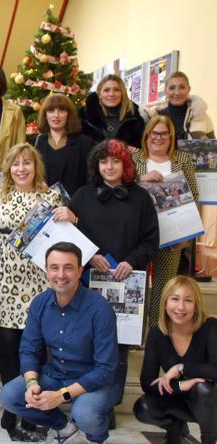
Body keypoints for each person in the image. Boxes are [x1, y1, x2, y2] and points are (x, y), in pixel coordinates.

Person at [0, 242, 120, 444]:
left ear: (80, 270)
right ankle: (63, 427)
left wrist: (61, 396)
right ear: (46, 270)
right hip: (57, 374)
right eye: (54, 268)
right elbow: (29, 349)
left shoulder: (99, 309)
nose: (61, 275)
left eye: (68, 268)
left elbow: (105, 369)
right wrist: (32, 382)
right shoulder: (41, 303)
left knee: (84, 413)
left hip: (95, 381)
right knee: (10, 395)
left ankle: (97, 440)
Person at [69, 139, 159, 426]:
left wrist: (131, 261)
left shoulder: (141, 198)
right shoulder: (82, 196)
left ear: (126, 165)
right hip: (88, 282)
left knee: (117, 348)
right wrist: (90, 255)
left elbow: (151, 239)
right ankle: (83, 398)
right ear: (97, 165)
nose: (109, 166)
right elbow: (67, 237)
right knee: (85, 342)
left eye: (116, 161)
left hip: (126, 283)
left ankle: (108, 403)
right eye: (104, 161)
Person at [0, 143, 64, 437]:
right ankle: (11, 404)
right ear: (9, 168)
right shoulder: (1, 193)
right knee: (9, 344)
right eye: (15, 163)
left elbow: (63, 234)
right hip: (7, 276)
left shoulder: (51, 195)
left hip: (38, 279)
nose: (21, 168)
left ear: (36, 166)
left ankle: (34, 405)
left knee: (35, 343)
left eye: (27, 163)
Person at [133, 275, 217, 444]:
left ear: (196, 304)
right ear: (165, 302)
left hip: (210, 402)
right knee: (143, 407)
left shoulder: (210, 327)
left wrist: (181, 369)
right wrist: (181, 386)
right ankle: (175, 428)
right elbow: (147, 382)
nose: (180, 307)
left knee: (203, 388)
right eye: (175, 299)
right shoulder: (157, 333)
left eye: (188, 300)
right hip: (178, 399)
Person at [132, 116, 199, 328]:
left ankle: (157, 333)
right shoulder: (135, 160)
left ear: (171, 136)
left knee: (164, 288)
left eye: (164, 133)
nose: (158, 137)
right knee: (137, 286)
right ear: (147, 135)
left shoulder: (182, 160)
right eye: (154, 133)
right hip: (139, 235)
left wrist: (186, 237)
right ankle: (136, 334)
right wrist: (141, 179)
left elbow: (194, 196)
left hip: (172, 236)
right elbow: (124, 190)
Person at [29, 93, 95, 197]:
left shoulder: (85, 144)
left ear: (69, 114)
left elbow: (91, 181)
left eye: (62, 110)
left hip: (74, 208)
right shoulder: (35, 143)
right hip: (42, 207)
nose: (56, 115)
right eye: (51, 110)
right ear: (45, 115)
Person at [144, 71, 215, 143]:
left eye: (182, 87)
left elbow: (213, 150)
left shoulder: (202, 117)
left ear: (188, 89)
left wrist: (207, 145)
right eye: (172, 88)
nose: (177, 92)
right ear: (165, 91)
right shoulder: (155, 118)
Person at [80, 74, 145, 147]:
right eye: (106, 90)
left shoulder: (135, 119)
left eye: (116, 90)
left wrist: (133, 153)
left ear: (122, 94)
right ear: (99, 94)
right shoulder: (84, 118)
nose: (111, 94)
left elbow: (142, 157)